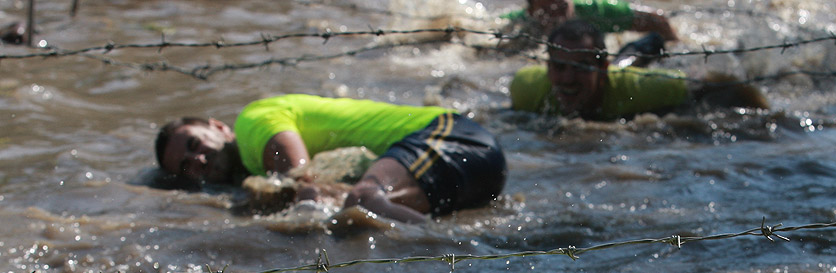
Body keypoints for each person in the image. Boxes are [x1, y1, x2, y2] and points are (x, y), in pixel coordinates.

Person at [155, 94, 508, 224]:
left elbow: (302, 179)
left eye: (194, 144)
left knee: (363, 200)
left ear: (218, 126)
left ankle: (459, 257)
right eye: (186, 167)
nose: (198, 160)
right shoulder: (249, 171)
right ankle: (462, 250)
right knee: (357, 209)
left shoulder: (253, 123)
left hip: (453, 136)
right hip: (469, 178)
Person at [510, 20, 767, 120]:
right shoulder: (526, 88)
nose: (567, 78)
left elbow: (708, 83)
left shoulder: (642, 89)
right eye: (559, 66)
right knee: (626, 61)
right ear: (547, 67)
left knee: (628, 65)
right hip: (616, 69)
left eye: (580, 66)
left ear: (601, 67)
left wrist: (765, 111)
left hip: (620, 76)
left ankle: (652, 41)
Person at [503, 0, 678, 41]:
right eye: (547, 7)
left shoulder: (595, 11)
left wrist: (673, 46)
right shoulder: (518, 24)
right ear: (531, 9)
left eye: (560, 4)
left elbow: (658, 21)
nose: (555, 12)